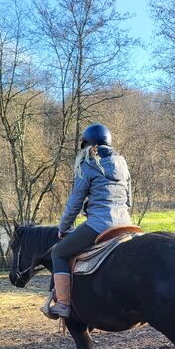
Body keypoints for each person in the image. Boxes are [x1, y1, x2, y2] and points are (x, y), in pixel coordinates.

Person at [46, 123, 132, 319]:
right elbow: (129, 200)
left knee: (58, 253)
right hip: (126, 224)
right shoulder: (122, 164)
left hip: (99, 225)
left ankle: (64, 305)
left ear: (88, 145)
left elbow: (75, 202)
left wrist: (63, 228)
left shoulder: (88, 164)